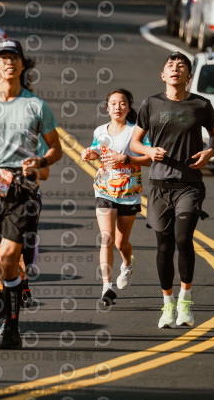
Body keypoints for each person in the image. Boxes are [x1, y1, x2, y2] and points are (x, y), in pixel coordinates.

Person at [0, 38, 62, 349]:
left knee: (8, 260)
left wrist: (41, 161)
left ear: (22, 64)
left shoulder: (36, 105)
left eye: (14, 57)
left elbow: (56, 148)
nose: (9, 62)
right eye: (2, 58)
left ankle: (12, 330)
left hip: (21, 189)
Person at [130, 52, 214, 329]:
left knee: (183, 239)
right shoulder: (150, 104)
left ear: (188, 76)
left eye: (181, 66)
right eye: (170, 65)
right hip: (159, 186)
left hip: (189, 185)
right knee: (164, 246)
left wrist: (210, 152)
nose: (175, 69)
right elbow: (135, 142)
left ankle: (185, 301)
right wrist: (149, 151)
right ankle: (168, 304)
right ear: (163, 75)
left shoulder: (201, 105)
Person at [81, 88, 151, 306]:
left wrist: (126, 158)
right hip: (104, 189)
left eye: (122, 104)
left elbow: (149, 159)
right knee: (106, 237)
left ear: (128, 108)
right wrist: (89, 153)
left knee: (121, 243)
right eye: (113, 104)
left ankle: (127, 264)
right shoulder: (100, 130)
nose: (117, 107)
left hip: (129, 192)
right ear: (107, 108)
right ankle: (107, 286)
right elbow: (97, 151)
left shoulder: (135, 132)